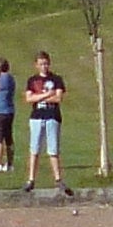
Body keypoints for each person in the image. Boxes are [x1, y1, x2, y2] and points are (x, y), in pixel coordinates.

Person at [22, 51, 68, 193]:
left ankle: (58, 179)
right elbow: (29, 99)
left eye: (46, 63)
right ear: (36, 65)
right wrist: (48, 94)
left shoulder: (57, 79)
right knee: (34, 148)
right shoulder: (32, 80)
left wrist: (39, 97)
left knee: (53, 149)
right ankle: (31, 179)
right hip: (36, 116)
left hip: (52, 116)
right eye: (41, 64)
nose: (44, 67)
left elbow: (58, 98)